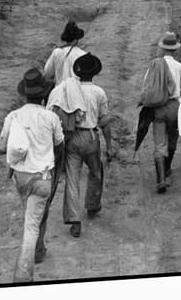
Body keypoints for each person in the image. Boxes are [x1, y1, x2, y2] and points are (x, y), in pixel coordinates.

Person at [0, 68, 64, 282]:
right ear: (44, 95)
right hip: (43, 176)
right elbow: (59, 143)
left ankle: (39, 249)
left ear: (24, 94)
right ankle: (24, 272)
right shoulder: (50, 117)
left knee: (32, 214)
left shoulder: (13, 116)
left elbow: (0, 147)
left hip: (21, 177)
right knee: (32, 222)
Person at [59, 53, 114, 238]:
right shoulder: (98, 92)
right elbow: (104, 121)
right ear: (95, 73)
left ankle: (74, 219)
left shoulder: (69, 90)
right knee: (96, 171)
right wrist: (109, 145)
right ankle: (92, 204)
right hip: (90, 136)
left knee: (72, 179)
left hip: (72, 136)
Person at [147, 32, 181, 193]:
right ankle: (168, 168)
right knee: (172, 140)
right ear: (175, 50)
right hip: (174, 107)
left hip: (158, 107)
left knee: (159, 144)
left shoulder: (155, 64)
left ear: (163, 48)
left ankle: (161, 178)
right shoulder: (179, 67)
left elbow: (147, 85)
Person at [44, 20, 87, 85]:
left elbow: (47, 73)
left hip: (59, 92)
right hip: (78, 93)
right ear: (78, 39)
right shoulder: (84, 55)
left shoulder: (57, 52)